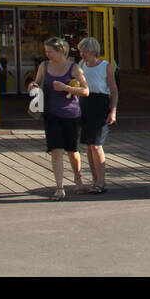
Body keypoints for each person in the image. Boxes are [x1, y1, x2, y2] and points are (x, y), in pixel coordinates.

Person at [30, 36, 89, 200]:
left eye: (50, 52)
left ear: (61, 51)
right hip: (51, 114)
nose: (47, 54)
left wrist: (66, 87)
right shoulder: (44, 66)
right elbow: (37, 82)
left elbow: (86, 91)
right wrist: (33, 86)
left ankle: (78, 178)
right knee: (56, 150)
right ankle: (59, 187)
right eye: (46, 51)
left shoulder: (74, 68)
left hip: (71, 114)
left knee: (72, 151)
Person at [77, 37, 118, 194]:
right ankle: (95, 179)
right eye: (81, 51)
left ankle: (101, 181)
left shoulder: (105, 66)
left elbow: (113, 90)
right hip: (85, 102)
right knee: (88, 145)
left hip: (100, 103)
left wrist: (113, 111)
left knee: (96, 144)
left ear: (93, 50)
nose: (82, 54)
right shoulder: (81, 65)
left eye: (84, 51)